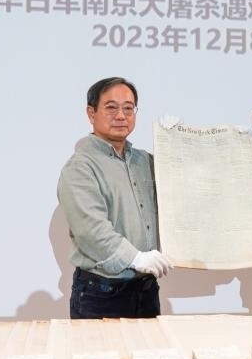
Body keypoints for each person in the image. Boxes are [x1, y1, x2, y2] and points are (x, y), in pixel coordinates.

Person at [57, 77, 173, 319]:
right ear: (91, 113)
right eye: (111, 107)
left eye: (128, 108)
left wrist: (176, 144)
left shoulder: (146, 161)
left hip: (146, 289)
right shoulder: (80, 167)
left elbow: (185, 190)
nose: (121, 116)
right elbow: (91, 231)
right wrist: (136, 258)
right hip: (101, 293)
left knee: (149, 346)